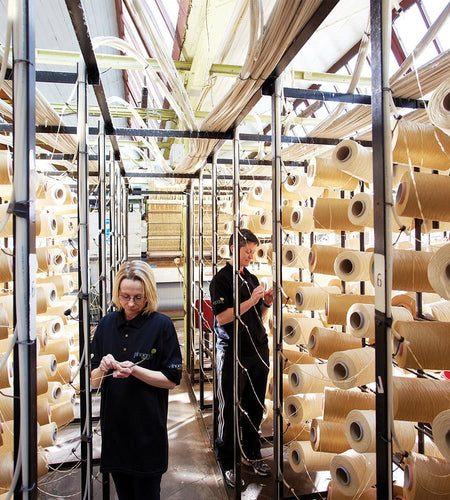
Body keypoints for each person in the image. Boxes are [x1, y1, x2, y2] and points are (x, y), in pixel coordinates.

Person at [90, 260, 182, 500]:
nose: (130, 303)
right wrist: (101, 368)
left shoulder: (161, 326)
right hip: (116, 433)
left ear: (149, 294)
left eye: (138, 298)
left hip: (147, 433)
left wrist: (136, 371)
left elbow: (171, 379)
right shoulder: (107, 324)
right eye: (125, 296)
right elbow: (92, 382)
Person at [209, 228, 273, 488]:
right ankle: (227, 461)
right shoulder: (221, 280)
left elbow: (260, 319)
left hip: (257, 349)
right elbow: (222, 317)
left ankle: (252, 454)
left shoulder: (252, 277)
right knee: (229, 407)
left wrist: (265, 303)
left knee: (254, 405)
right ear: (234, 248)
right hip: (233, 352)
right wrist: (251, 300)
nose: (251, 256)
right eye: (248, 251)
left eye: (254, 252)